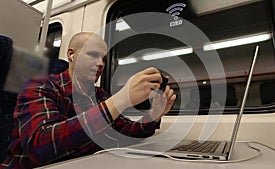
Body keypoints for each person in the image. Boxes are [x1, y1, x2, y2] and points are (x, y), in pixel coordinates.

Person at [1, 32, 176, 169]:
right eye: (93, 54)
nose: (101, 63)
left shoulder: (99, 95)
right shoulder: (40, 86)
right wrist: (119, 101)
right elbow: (39, 146)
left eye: (104, 59)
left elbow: (124, 132)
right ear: (71, 55)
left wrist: (153, 115)